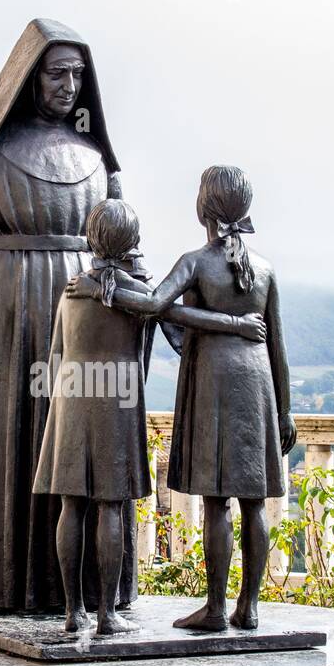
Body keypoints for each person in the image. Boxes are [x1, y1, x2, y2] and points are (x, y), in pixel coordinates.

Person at [0, 19, 135, 614]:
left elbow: (128, 245)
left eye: (77, 74)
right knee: (9, 432)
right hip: (6, 317)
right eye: (56, 72)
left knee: (82, 444)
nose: (69, 84)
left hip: (88, 317)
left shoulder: (99, 161)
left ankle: (85, 594)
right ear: (29, 77)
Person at [67, 166, 296, 631]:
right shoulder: (266, 269)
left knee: (217, 501)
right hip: (258, 385)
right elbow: (278, 346)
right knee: (253, 501)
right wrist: (285, 410)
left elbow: (154, 305)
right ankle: (248, 608)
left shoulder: (195, 261)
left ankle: (216, 608)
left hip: (214, 379)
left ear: (204, 209)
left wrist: (100, 286)